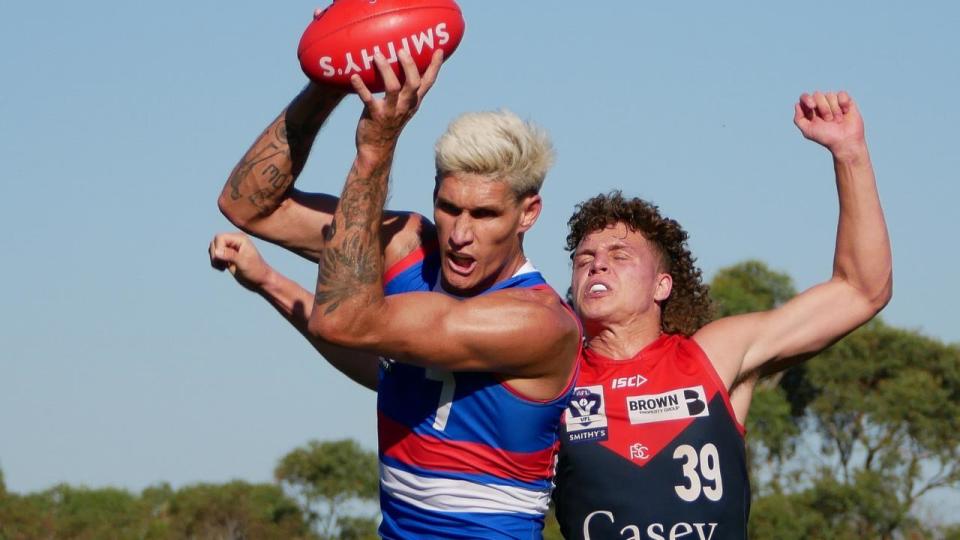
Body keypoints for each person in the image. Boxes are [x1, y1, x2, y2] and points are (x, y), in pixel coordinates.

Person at [210, 49, 580, 539]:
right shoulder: (410, 247)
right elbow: (247, 206)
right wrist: (331, 80)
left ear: (528, 213)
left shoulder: (537, 322)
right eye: (448, 208)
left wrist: (375, 149)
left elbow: (345, 323)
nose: (460, 234)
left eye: (485, 215)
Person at [552, 91, 892, 539]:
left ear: (662, 285)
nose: (596, 264)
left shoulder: (713, 355)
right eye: (585, 258)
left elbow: (861, 290)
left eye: (619, 255)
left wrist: (850, 154)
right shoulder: (553, 374)